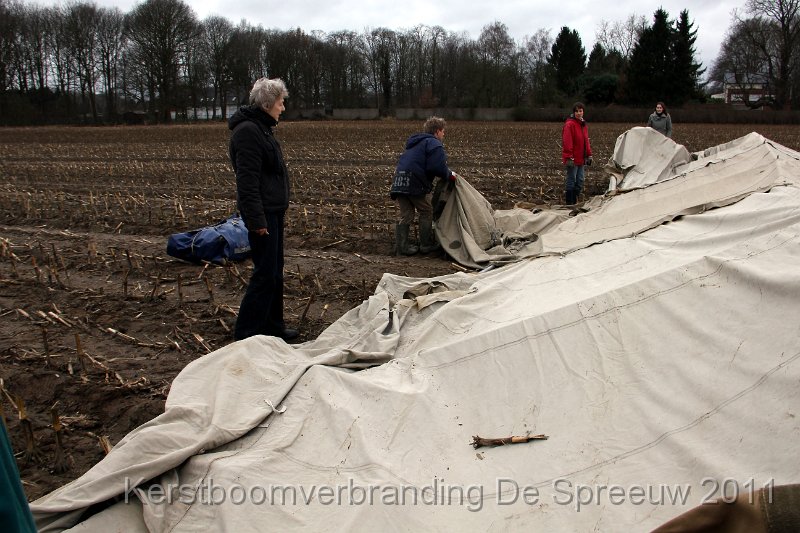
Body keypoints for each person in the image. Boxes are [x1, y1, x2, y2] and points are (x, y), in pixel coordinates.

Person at [229, 78, 298, 342]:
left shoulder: (262, 129)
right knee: (264, 274)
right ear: (268, 104)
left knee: (274, 271)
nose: (283, 108)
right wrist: (257, 220)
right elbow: (247, 183)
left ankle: (273, 326)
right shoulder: (248, 132)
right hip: (263, 215)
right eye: (281, 103)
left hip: (273, 211)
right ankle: (246, 334)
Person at [390, 116, 456, 255]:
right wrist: (449, 174)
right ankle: (426, 245)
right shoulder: (434, 144)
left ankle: (402, 247)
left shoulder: (413, 143)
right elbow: (436, 167)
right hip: (415, 182)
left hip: (399, 181)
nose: (444, 134)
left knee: (406, 214)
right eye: (443, 131)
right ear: (437, 131)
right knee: (426, 211)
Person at [561, 102, 592, 206]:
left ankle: (575, 200)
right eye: (577, 111)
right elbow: (567, 141)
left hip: (581, 158)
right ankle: (570, 203)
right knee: (571, 180)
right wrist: (569, 157)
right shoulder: (570, 124)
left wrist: (589, 154)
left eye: (581, 111)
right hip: (573, 159)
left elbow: (586, 141)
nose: (579, 113)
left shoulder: (583, 124)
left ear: (583, 112)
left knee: (580, 181)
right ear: (574, 112)